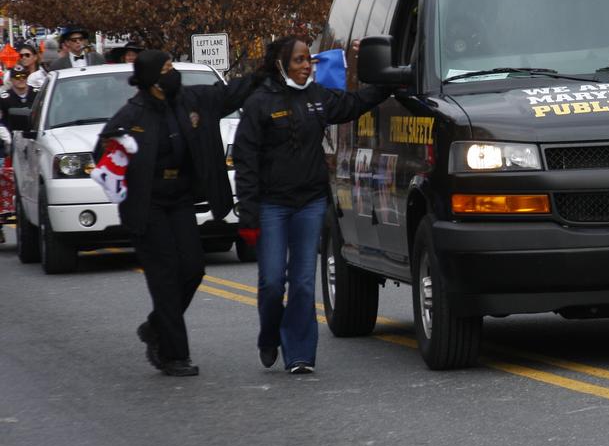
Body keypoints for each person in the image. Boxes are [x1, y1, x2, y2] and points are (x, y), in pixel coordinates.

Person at [233, 36, 392, 374]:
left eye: (309, 60)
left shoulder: (318, 98)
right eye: (299, 61)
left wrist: (386, 81)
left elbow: (354, 103)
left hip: (310, 202)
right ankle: (268, 334)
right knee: (273, 282)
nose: (307, 66)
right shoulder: (259, 103)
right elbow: (245, 161)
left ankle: (300, 353)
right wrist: (247, 212)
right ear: (281, 65)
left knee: (303, 282)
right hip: (271, 205)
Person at [95, 50, 259, 377]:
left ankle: (157, 325)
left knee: (193, 268)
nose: (173, 73)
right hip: (148, 205)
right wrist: (119, 150)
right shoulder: (132, 116)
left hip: (181, 199)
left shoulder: (192, 100)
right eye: (167, 69)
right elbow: (103, 152)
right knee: (165, 274)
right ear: (153, 80)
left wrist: (267, 68)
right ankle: (173, 354)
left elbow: (230, 93)